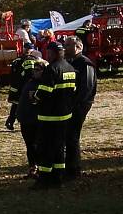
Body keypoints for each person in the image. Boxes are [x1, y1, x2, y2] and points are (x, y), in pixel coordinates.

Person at [31, 42, 76, 190]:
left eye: (48, 53)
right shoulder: (70, 68)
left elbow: (44, 92)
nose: (47, 55)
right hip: (65, 115)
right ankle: (58, 177)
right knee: (59, 148)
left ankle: (44, 179)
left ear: (53, 53)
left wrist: (34, 97)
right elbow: (73, 90)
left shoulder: (52, 69)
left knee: (45, 148)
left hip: (49, 117)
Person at [65, 36, 97, 180]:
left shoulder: (85, 63)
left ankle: (74, 169)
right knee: (68, 136)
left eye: (68, 45)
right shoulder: (71, 62)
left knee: (72, 136)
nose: (65, 48)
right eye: (65, 45)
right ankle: (70, 166)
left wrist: (76, 104)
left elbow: (87, 87)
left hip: (79, 106)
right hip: (71, 105)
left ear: (79, 47)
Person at [16, 59, 47, 178]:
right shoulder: (30, 81)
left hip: (36, 120)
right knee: (29, 145)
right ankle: (32, 168)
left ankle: (40, 168)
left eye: (38, 70)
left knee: (37, 145)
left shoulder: (43, 84)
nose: (35, 72)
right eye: (34, 69)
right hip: (25, 119)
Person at [5, 43, 37, 131]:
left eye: (28, 48)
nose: (27, 50)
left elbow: (12, 74)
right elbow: (30, 75)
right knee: (25, 105)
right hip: (24, 87)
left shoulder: (16, 60)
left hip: (16, 87)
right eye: (26, 48)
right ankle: (22, 122)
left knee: (16, 105)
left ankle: (10, 121)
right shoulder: (31, 60)